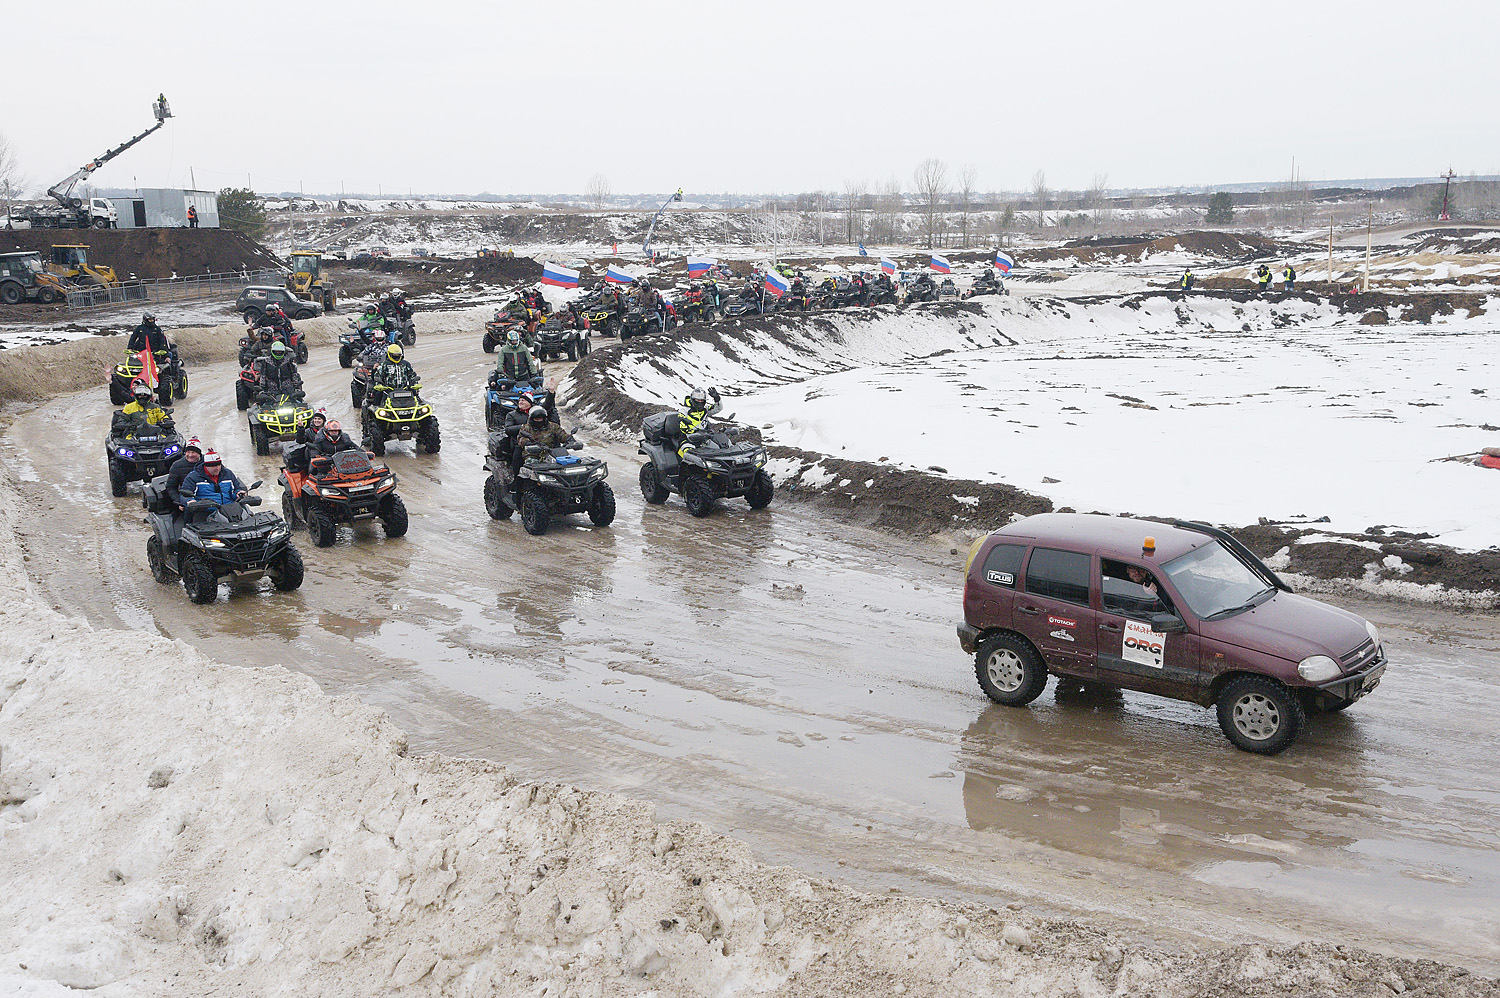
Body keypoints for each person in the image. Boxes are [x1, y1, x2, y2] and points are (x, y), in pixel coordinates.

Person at [513, 405, 573, 476]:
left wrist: (570, 439)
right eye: (536, 419)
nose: (539, 421)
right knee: (532, 471)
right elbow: (520, 439)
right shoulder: (526, 428)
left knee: (567, 466)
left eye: (541, 419)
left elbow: (562, 435)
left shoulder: (553, 426)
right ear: (532, 419)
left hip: (552, 453)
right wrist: (529, 443)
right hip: (533, 454)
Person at [180, 450, 248, 511]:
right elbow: (185, 495)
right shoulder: (193, 477)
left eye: (218, 465)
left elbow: (236, 489)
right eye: (213, 466)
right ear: (206, 466)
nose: (217, 468)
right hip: (206, 511)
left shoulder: (228, 474)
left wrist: (238, 493)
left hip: (229, 510)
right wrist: (190, 501)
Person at [671, 386, 722, 460]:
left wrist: (717, 398)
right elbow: (682, 426)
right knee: (690, 456)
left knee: (718, 452)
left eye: (702, 400)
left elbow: (718, 408)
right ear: (692, 399)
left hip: (704, 439)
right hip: (687, 439)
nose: (700, 402)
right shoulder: (684, 411)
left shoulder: (705, 409)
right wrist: (695, 432)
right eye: (697, 400)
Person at [368, 343, 420, 407]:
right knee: (378, 395)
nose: (396, 357)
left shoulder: (406, 364)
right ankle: (375, 409)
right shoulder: (384, 364)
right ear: (389, 354)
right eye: (394, 355)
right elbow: (377, 376)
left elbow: (412, 375)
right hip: (388, 390)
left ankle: (418, 406)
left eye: (398, 355)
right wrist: (379, 384)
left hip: (404, 389)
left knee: (415, 395)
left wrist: (415, 383)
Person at [165, 438, 204, 511]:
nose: (190, 455)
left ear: (199, 454)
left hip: (206, 494)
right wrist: (179, 502)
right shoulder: (177, 465)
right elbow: (171, 487)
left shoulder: (207, 462)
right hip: (186, 497)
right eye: (188, 452)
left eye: (193, 452)